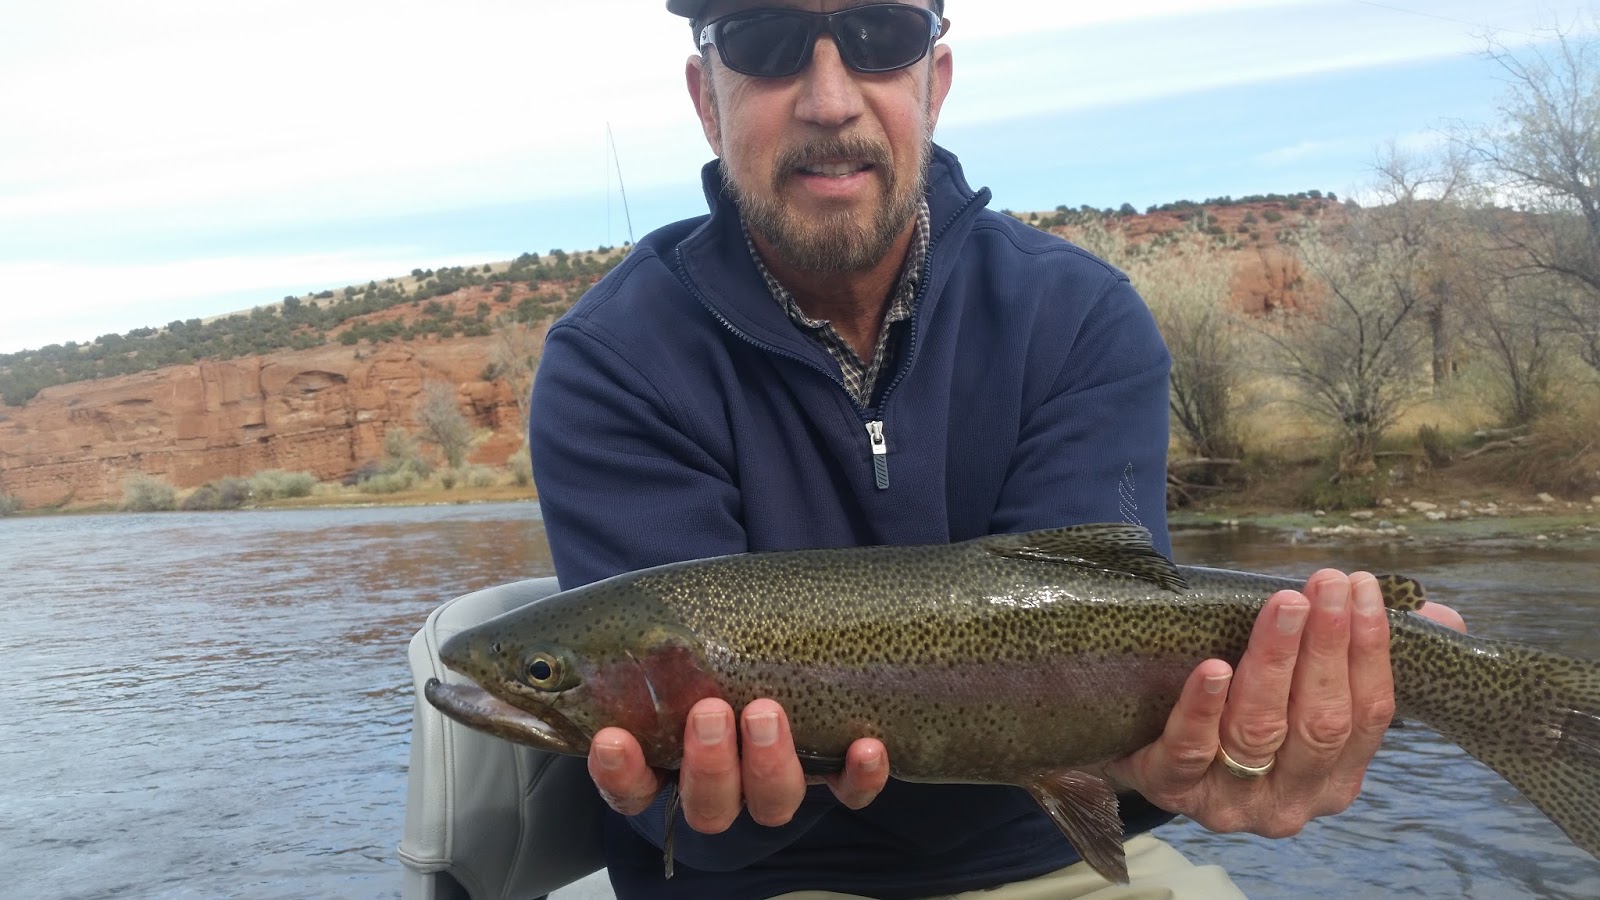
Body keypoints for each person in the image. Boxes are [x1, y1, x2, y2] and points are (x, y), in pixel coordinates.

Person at [527, 2, 1466, 898]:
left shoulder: (1078, 315)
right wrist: (692, 809)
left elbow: (1097, 632)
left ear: (933, 80)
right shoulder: (612, 362)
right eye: (765, 40)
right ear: (706, 99)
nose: (828, 97)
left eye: (878, 35)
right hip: (757, 885)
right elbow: (678, 786)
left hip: (1046, 856)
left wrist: (1186, 764)